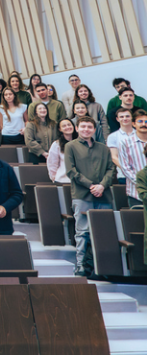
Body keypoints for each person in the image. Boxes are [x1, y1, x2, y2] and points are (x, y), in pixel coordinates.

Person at [65, 116, 116, 277]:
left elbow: (111, 169)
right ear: (77, 128)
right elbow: (71, 171)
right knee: (82, 232)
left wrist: (102, 185)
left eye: (89, 127)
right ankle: (81, 266)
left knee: (103, 232)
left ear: (94, 130)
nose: (86, 129)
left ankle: (102, 267)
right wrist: (91, 186)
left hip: (104, 194)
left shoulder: (103, 148)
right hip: (82, 195)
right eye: (83, 126)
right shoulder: (70, 146)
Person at [117, 110, 147, 208]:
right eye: (140, 121)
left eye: (146, 122)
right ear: (133, 124)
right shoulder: (125, 143)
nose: (144, 124)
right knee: (137, 223)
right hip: (136, 193)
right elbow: (125, 168)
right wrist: (142, 182)